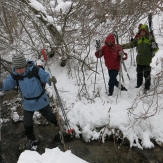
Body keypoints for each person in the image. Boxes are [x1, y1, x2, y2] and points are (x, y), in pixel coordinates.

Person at [0, 55, 59, 149]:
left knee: (50, 116)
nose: (18, 71)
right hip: (27, 103)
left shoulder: (35, 70)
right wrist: (1, 85)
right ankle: (32, 140)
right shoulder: (15, 74)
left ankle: (60, 128)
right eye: (16, 69)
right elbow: (7, 84)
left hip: (40, 100)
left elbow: (44, 76)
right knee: (27, 123)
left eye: (20, 68)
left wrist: (49, 80)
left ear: (25, 65)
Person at [122, 24, 159, 94]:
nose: (142, 33)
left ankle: (147, 87)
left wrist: (154, 46)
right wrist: (121, 46)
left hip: (147, 60)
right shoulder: (138, 39)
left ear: (146, 32)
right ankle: (139, 84)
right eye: (141, 31)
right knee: (139, 73)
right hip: (139, 59)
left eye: (143, 31)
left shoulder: (150, 39)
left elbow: (156, 49)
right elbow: (131, 44)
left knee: (147, 74)